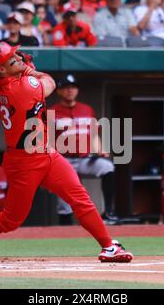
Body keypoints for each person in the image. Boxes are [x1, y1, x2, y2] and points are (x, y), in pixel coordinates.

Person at [0, 42, 133, 263]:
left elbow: (24, 75)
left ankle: (108, 246)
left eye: (16, 54)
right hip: (24, 160)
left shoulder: (4, 85)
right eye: (12, 58)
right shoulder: (21, 87)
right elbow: (50, 82)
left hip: (48, 153)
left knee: (80, 199)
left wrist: (19, 66)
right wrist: (29, 69)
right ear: (0, 70)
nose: (18, 57)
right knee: (11, 220)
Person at [50, 74, 120, 225]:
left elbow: (94, 135)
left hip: (85, 159)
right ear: (59, 91)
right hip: (64, 160)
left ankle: (109, 212)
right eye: (66, 87)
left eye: (73, 87)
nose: (70, 90)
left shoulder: (87, 109)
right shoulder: (51, 111)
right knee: (64, 202)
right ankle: (65, 228)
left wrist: (100, 150)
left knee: (107, 167)